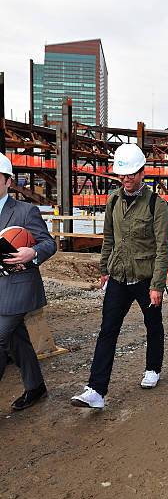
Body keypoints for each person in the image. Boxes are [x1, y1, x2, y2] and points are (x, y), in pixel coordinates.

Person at [71, 144, 168, 409]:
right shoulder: (113, 200)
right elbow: (109, 238)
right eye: (122, 175)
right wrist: (104, 268)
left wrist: (157, 285)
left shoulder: (156, 205)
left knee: (153, 325)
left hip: (145, 279)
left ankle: (153, 368)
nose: (126, 179)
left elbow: (163, 248)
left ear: (142, 173)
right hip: (118, 276)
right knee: (107, 331)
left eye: (131, 174)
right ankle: (96, 390)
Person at [0, 152, 56, 410]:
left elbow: (49, 243)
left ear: (8, 182)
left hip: (18, 289)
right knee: (16, 340)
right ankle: (36, 387)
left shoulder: (25, 211)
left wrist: (32, 252)